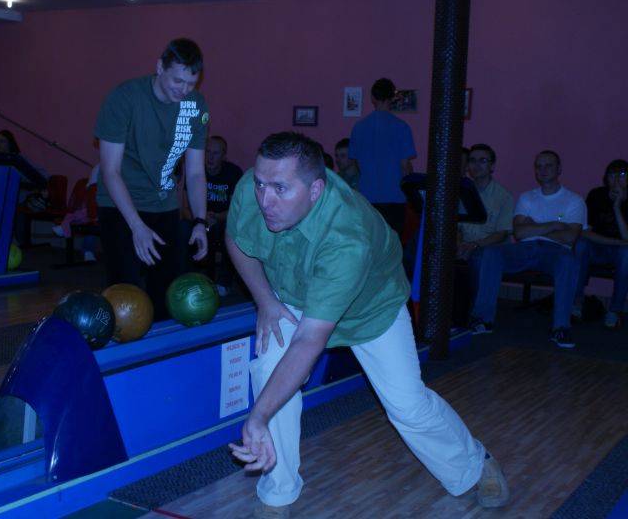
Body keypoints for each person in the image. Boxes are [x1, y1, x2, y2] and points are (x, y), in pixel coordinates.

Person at [226, 132, 508, 518]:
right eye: (261, 184)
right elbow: (237, 239)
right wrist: (266, 300)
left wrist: (257, 417)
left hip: (370, 308)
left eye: (279, 189)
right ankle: (278, 493)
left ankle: (476, 465)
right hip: (293, 293)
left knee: (407, 406)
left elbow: (309, 340)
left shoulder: (347, 236)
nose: (265, 199)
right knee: (270, 372)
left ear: (315, 190)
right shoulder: (254, 185)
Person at [95, 38, 209, 318]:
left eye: (191, 83)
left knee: (166, 293)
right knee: (126, 296)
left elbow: (195, 172)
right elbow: (110, 171)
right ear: (160, 67)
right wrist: (136, 226)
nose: (184, 90)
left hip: (164, 205)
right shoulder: (124, 98)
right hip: (121, 206)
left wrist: (200, 221)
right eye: (178, 81)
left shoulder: (195, 105)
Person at [468, 150, 584, 348]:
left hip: (555, 252)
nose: (543, 170)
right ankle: (483, 320)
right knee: (491, 253)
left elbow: (570, 237)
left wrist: (535, 226)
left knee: (568, 261)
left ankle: (561, 328)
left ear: (559, 169)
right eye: (539, 166)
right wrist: (554, 225)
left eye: (548, 165)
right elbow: (519, 233)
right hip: (525, 248)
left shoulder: (574, 201)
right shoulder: (527, 198)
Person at [348, 78, 416, 235]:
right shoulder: (402, 127)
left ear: (372, 98)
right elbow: (405, 166)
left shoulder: (359, 127)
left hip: (367, 197)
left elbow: (357, 163)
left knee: (371, 242)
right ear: (392, 97)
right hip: (395, 197)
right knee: (393, 243)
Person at [574, 159, 628, 328]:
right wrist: (617, 242)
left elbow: (627, 238)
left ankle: (615, 310)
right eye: (612, 175)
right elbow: (584, 232)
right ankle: (576, 303)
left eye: (622, 175)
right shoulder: (596, 195)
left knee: (626, 253)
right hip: (598, 246)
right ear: (606, 178)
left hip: (621, 253)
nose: (616, 180)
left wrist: (617, 207)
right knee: (581, 244)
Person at [457, 144, 514, 260]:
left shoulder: (504, 197)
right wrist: (459, 245)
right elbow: (457, 228)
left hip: (490, 249)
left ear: (492, 166)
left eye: (482, 161)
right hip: (464, 247)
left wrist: (474, 245)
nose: (476, 165)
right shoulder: (461, 192)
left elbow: (502, 234)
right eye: (472, 160)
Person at [204, 135, 243, 294]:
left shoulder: (233, 172)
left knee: (229, 231)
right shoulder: (196, 171)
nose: (210, 157)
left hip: (224, 219)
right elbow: (186, 208)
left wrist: (216, 217)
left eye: (215, 153)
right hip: (201, 219)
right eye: (207, 152)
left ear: (223, 155)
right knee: (182, 228)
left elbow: (236, 210)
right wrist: (202, 219)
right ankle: (200, 279)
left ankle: (223, 282)